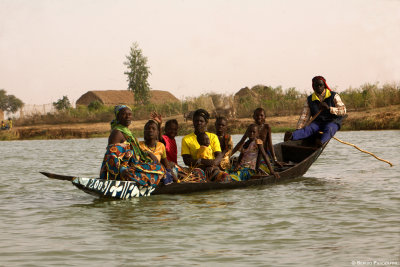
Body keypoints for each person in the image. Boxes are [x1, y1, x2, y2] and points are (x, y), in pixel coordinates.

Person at [99, 105, 165, 188]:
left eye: (130, 114)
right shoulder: (117, 133)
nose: (128, 117)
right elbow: (112, 154)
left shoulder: (127, 133)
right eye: (124, 114)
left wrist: (148, 154)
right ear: (118, 117)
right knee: (158, 170)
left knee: (159, 168)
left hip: (131, 166)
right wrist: (122, 170)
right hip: (120, 171)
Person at [285, 76, 346, 146]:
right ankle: (292, 136)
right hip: (317, 122)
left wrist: (329, 108)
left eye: (321, 85)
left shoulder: (334, 95)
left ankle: (320, 142)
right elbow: (304, 116)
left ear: (324, 86)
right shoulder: (310, 99)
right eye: (316, 85)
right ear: (313, 87)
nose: (319, 87)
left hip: (332, 121)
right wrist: (298, 129)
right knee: (308, 129)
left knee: (329, 129)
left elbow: (343, 111)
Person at [181, 109, 231, 182]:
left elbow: (219, 155)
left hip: (212, 168)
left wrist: (212, 165)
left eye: (201, 121)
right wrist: (202, 161)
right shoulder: (186, 139)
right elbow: (186, 160)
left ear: (206, 123)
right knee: (195, 179)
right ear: (193, 122)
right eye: (196, 121)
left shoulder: (213, 137)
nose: (199, 123)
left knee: (226, 178)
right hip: (197, 170)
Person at [139, 120, 178, 185]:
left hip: (158, 174)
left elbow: (166, 166)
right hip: (144, 173)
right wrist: (149, 154)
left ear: (157, 132)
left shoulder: (161, 146)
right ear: (144, 132)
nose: (150, 130)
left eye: (153, 129)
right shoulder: (139, 145)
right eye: (147, 129)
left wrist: (177, 181)